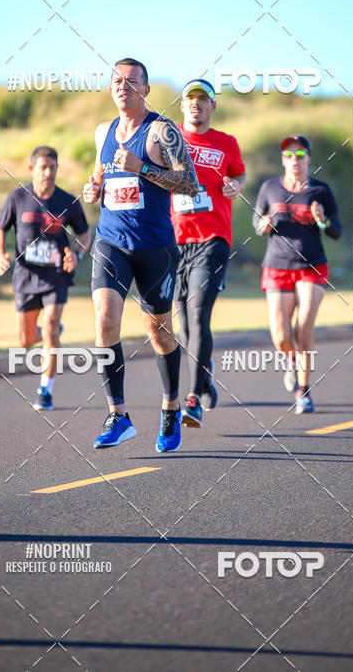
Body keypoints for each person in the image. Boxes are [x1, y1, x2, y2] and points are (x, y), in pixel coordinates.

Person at [82, 58, 198, 452]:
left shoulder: (162, 132)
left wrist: (143, 167)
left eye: (132, 81)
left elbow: (190, 183)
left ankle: (169, 409)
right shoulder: (103, 132)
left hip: (154, 248)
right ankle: (119, 415)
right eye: (117, 80)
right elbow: (100, 173)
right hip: (111, 241)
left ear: (146, 90)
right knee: (104, 321)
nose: (123, 86)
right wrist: (93, 189)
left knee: (159, 331)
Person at [171, 79, 246, 427]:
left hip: (213, 238)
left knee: (199, 313)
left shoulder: (226, 143)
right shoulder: (167, 138)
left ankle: (191, 398)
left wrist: (236, 186)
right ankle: (205, 374)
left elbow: (240, 175)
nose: (196, 104)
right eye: (191, 99)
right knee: (182, 327)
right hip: (172, 242)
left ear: (213, 106)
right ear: (182, 105)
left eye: (203, 99)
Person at [0, 146, 91, 410]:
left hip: (55, 276)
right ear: (32, 169)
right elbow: (0, 229)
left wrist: (78, 256)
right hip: (25, 276)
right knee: (25, 340)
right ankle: (54, 333)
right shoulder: (17, 197)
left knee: (48, 328)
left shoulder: (67, 202)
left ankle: (45, 390)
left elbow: (84, 236)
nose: (48, 172)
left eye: (52, 167)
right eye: (43, 167)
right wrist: (0, 254)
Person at [252, 135, 341, 413]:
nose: (295, 160)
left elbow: (336, 230)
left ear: (309, 158)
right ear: (283, 159)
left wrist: (321, 219)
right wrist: (263, 224)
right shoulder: (270, 187)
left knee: (304, 328)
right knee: (280, 336)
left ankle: (304, 390)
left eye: (300, 154)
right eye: (289, 155)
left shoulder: (321, 191)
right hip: (277, 265)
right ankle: (292, 361)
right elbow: (257, 221)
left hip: (312, 266)